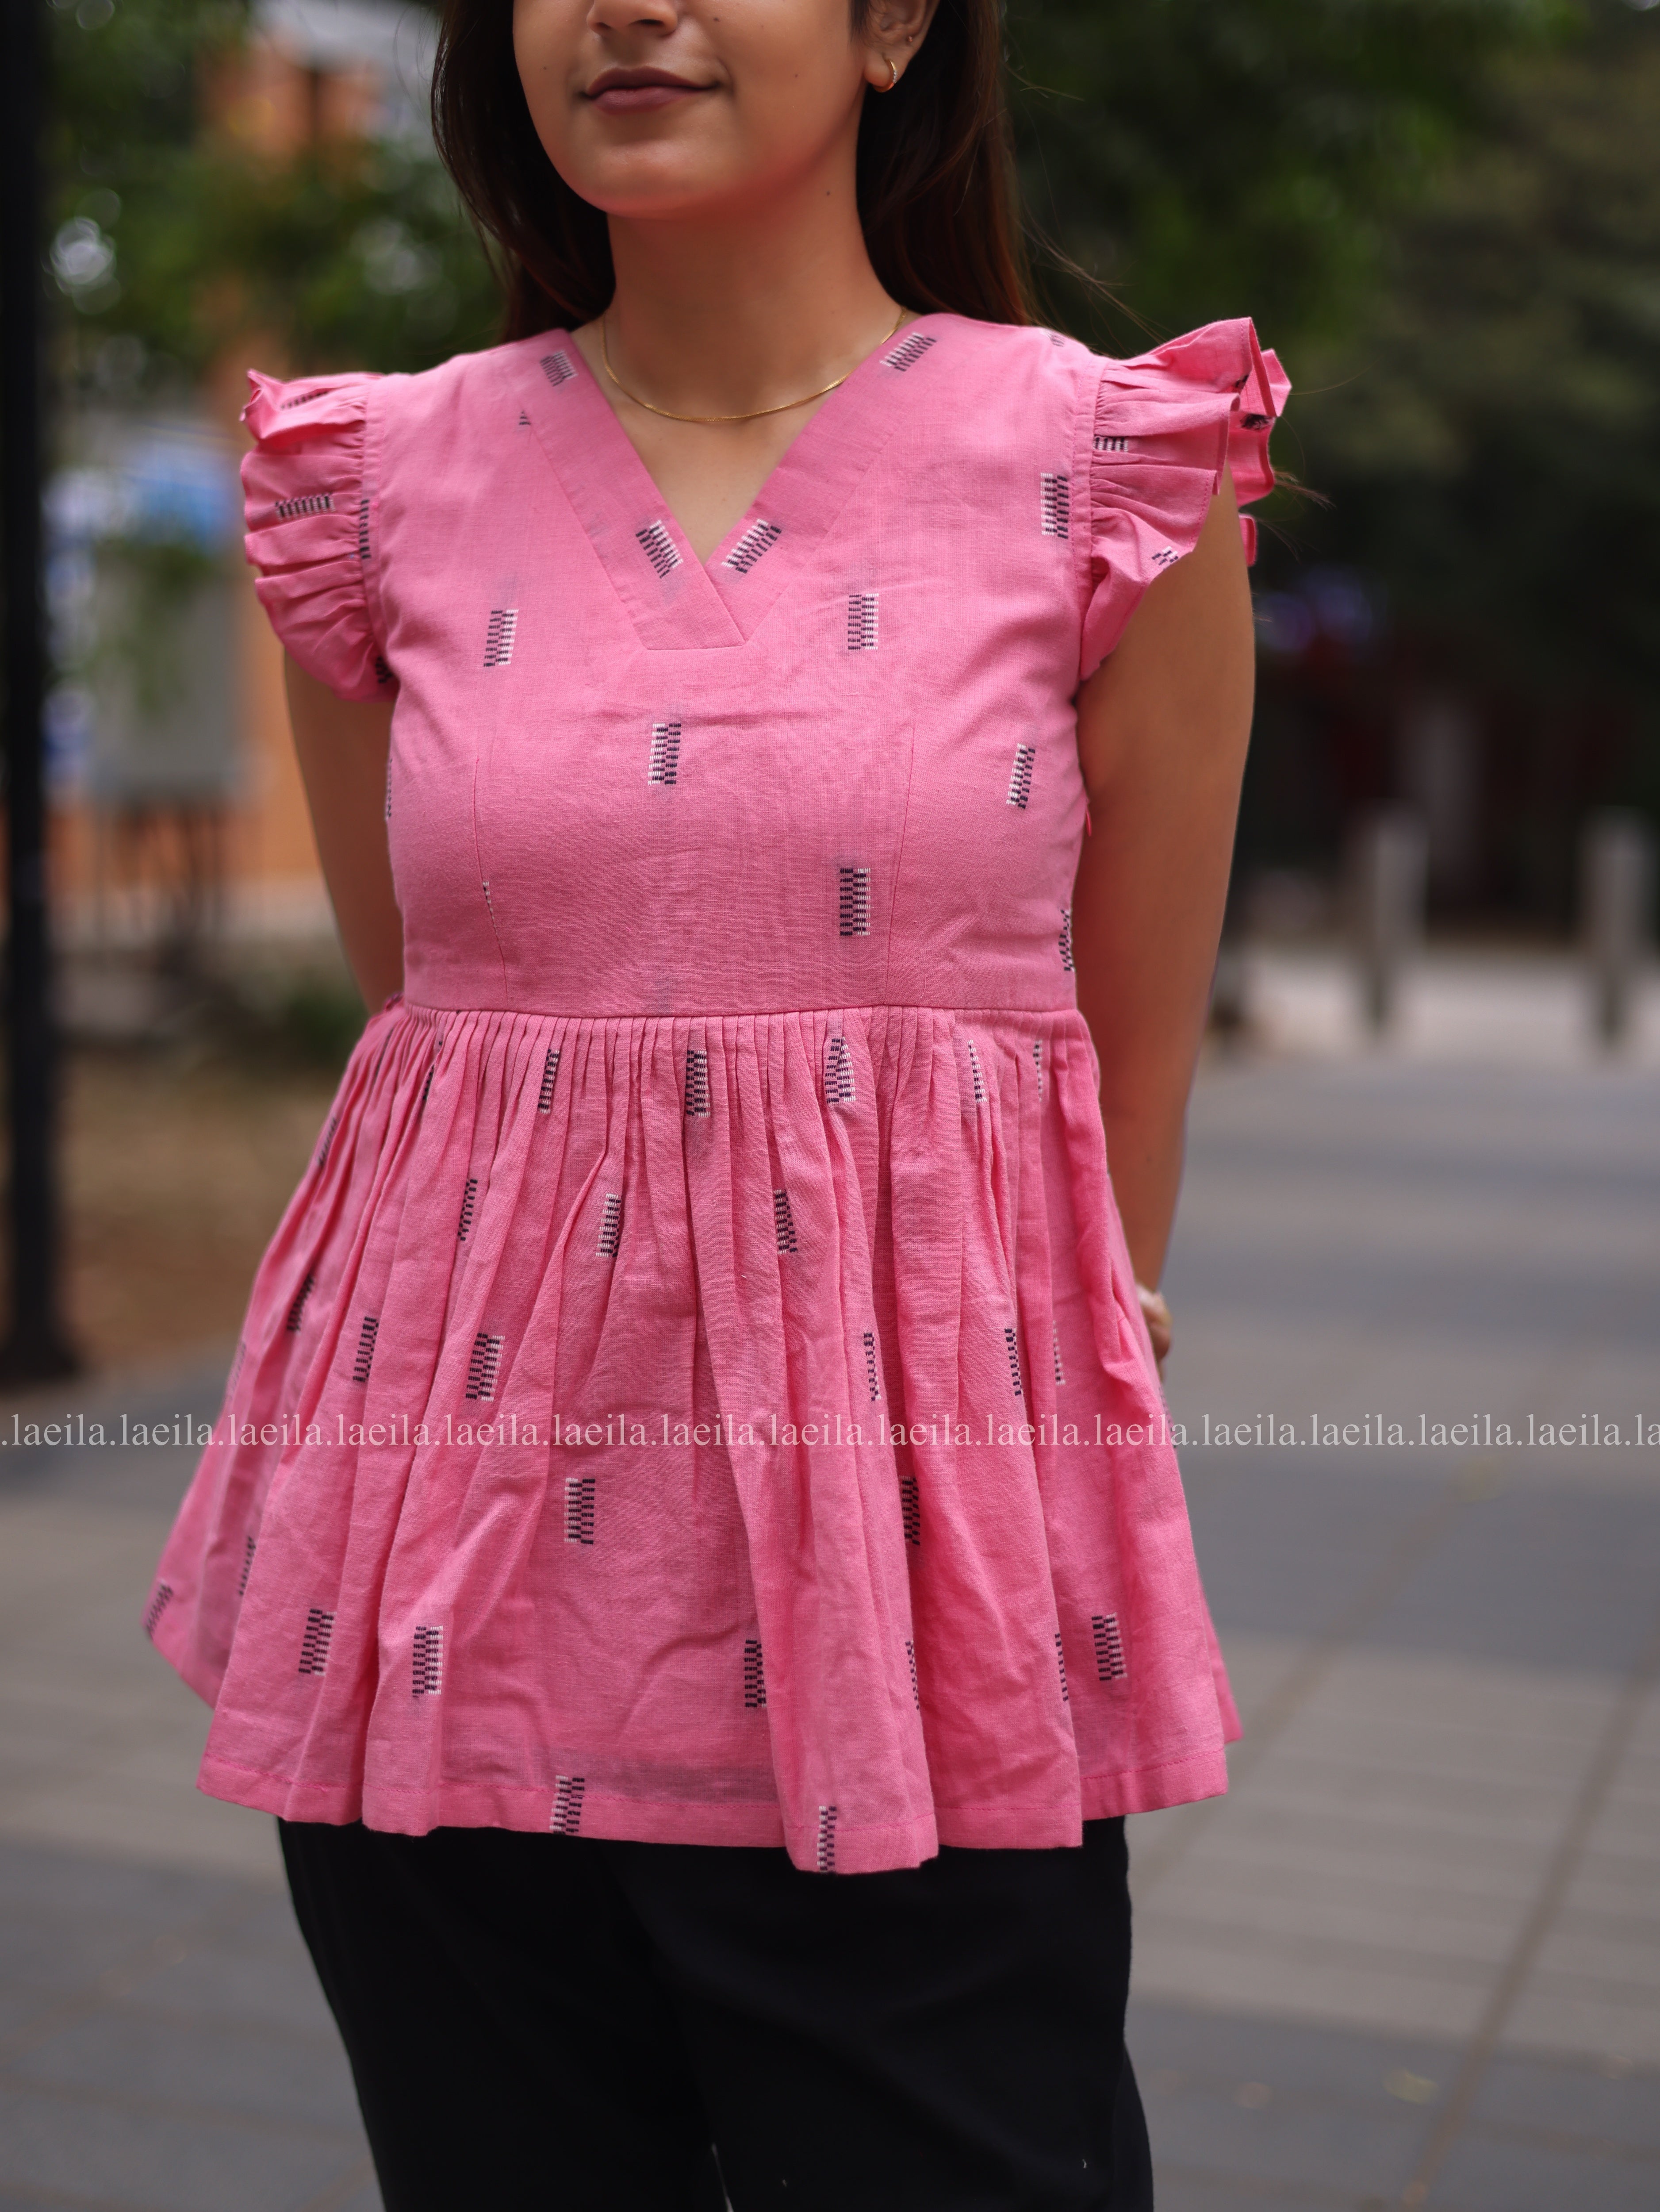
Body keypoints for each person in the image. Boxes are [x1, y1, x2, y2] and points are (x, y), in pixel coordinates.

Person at [145, 0, 1286, 2203]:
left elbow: (1112, 1088)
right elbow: (450, 1051)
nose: (626, 7)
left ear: (888, 27)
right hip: (441, 1610)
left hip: (913, 1635)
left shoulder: (1115, 473)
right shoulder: (374, 484)